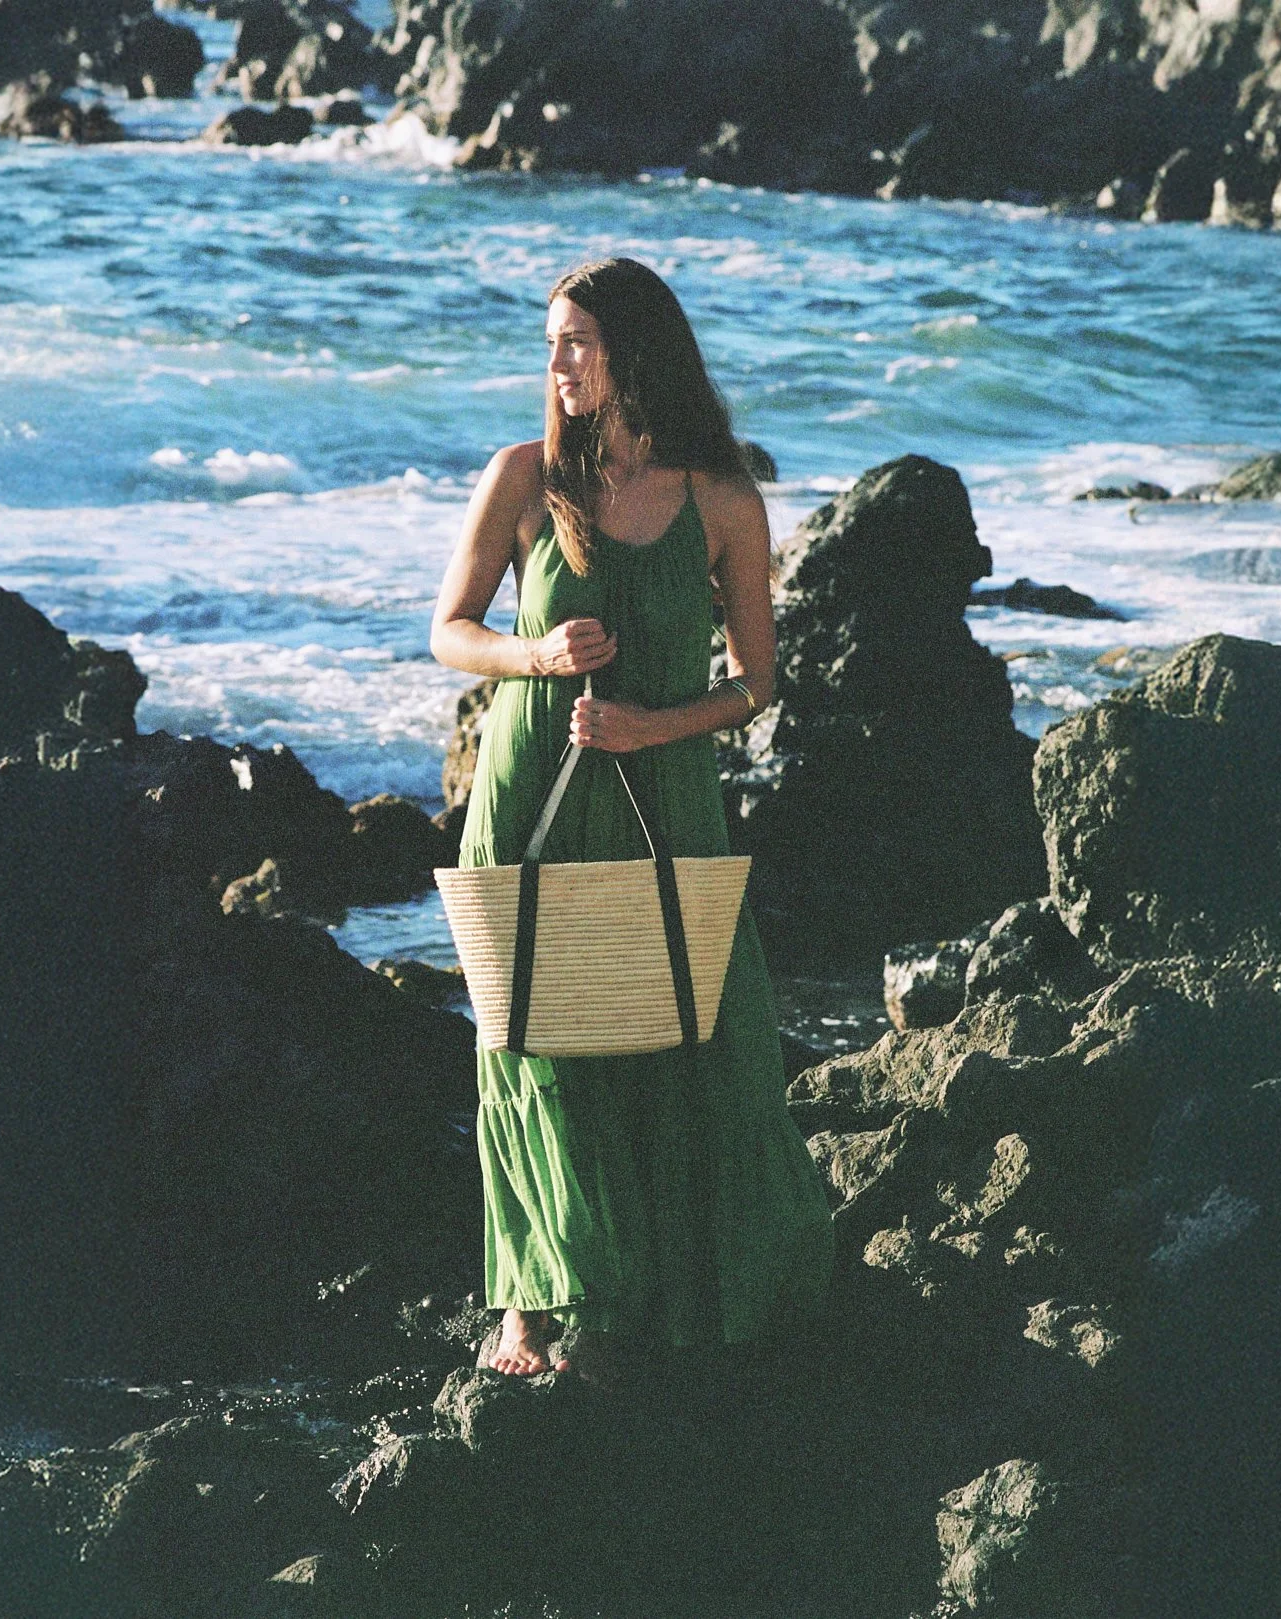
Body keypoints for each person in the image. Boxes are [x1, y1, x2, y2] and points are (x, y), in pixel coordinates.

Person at [429, 257, 834, 1377]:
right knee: (531, 1044)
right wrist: (535, 654)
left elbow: (758, 681)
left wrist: (651, 728)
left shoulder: (720, 497)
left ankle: (642, 1293)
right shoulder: (520, 478)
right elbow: (449, 630)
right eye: (549, 342)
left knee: (694, 1032)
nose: (554, 364)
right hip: (529, 799)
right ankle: (531, 1303)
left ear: (635, 351)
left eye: (576, 342)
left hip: (663, 795)